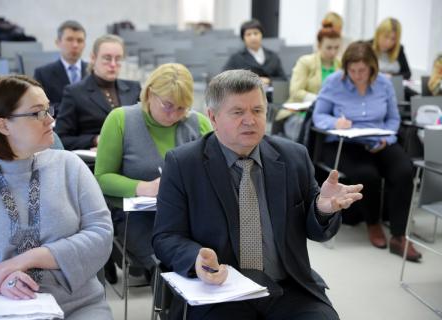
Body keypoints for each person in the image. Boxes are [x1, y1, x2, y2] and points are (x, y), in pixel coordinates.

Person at [153, 69, 363, 320]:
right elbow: (165, 237)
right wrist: (196, 258)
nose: (250, 120)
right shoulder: (184, 164)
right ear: (213, 117)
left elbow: (317, 231)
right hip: (220, 294)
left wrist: (323, 210)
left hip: (288, 287)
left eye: (257, 110)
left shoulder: (293, 156)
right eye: (238, 112)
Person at [0, 75, 113, 319]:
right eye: (37, 113)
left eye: (48, 109)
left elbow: (101, 234)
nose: (51, 120)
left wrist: (28, 258)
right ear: (4, 125)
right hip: (1, 306)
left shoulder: (70, 165)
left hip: (78, 305)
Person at [94, 63, 212, 278]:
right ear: (149, 93)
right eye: (168, 105)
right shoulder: (120, 119)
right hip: (138, 217)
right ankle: (172, 308)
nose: (174, 115)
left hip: (189, 216)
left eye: (181, 108)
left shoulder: (199, 123)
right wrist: (144, 187)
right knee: (170, 263)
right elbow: (101, 178)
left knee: (210, 256)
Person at [312, 41, 422, 262]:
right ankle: (373, 223)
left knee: (403, 170)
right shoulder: (334, 82)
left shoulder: (384, 84)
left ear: (372, 67)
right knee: (366, 175)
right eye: (352, 70)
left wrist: (387, 137)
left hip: (379, 141)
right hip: (346, 143)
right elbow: (318, 117)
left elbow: (393, 119)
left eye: (362, 70)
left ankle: (399, 236)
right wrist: (336, 122)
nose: (357, 75)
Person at [55, 34, 141, 151]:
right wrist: (95, 140)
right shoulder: (75, 92)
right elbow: (61, 139)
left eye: (118, 59)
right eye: (107, 58)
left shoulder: (134, 88)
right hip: (95, 160)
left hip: (131, 154)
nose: (113, 64)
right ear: (93, 57)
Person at [34, 20, 87, 117]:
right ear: (58, 42)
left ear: (84, 44)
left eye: (80, 41)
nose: (75, 45)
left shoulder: (94, 72)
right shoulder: (43, 74)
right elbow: (39, 111)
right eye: (70, 39)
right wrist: (71, 108)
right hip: (57, 126)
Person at [223, 19, 286, 86]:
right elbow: (225, 79)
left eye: (256, 33)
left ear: (261, 35)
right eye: (248, 34)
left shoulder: (273, 56)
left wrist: (269, 80)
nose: (253, 37)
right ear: (243, 38)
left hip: (271, 95)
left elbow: (283, 79)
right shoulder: (236, 58)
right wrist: (250, 81)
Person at [289, 22, 341, 103]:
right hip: (303, 111)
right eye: (329, 48)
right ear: (319, 45)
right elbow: (295, 92)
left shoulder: (341, 65)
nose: (333, 52)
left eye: (336, 48)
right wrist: (322, 100)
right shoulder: (305, 62)